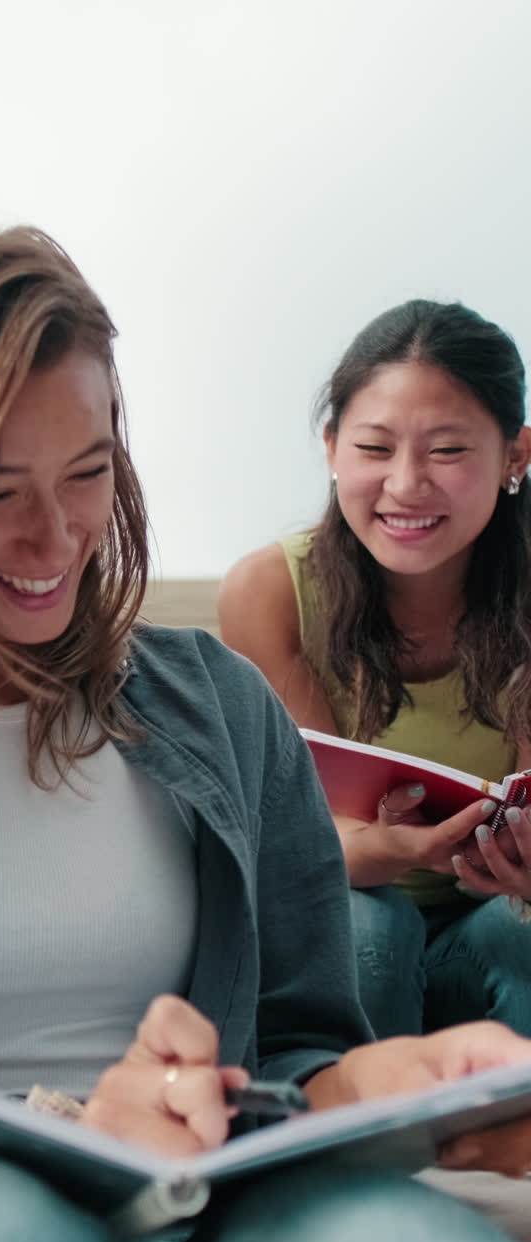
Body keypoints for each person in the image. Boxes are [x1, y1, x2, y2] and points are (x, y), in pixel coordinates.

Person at [0, 235, 531, 1242]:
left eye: (88, 472)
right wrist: (70, 1120)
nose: (57, 538)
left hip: (215, 1200)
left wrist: (402, 1080)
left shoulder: (220, 709)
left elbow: (296, 1051)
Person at [218, 298, 531, 1044]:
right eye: (375, 448)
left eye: (449, 451)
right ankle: (361, 1141)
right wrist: (389, 851)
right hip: (350, 925)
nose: (407, 485)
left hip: (491, 933)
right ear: (331, 447)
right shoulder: (270, 592)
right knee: (366, 927)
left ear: (516, 456)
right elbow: (306, 849)